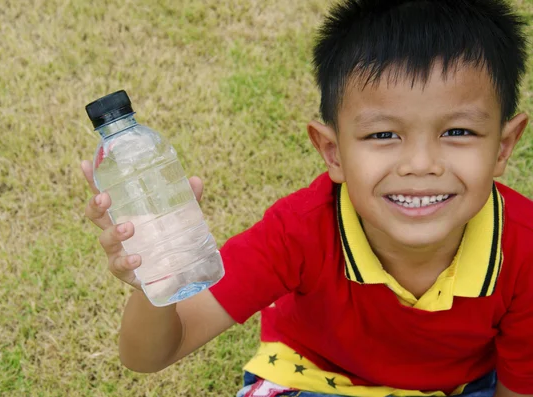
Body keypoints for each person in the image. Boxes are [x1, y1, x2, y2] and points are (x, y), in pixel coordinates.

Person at [80, 0, 533, 395]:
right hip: (317, 381)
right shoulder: (299, 229)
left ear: (503, 146)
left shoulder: (525, 247)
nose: (420, 163)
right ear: (332, 152)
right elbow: (153, 355)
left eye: (457, 132)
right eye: (383, 134)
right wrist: (150, 283)